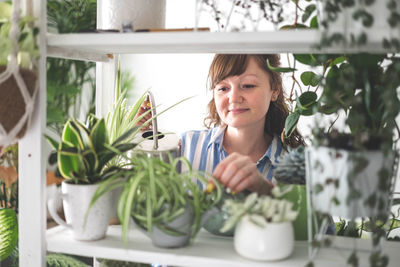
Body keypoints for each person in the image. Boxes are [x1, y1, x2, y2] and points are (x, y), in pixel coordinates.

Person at [136, 54, 303, 195]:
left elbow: (320, 230)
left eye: (248, 86)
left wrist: (267, 193)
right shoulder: (184, 148)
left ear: (274, 90)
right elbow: (144, 204)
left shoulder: (294, 165)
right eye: (223, 88)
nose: (234, 97)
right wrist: (137, 143)